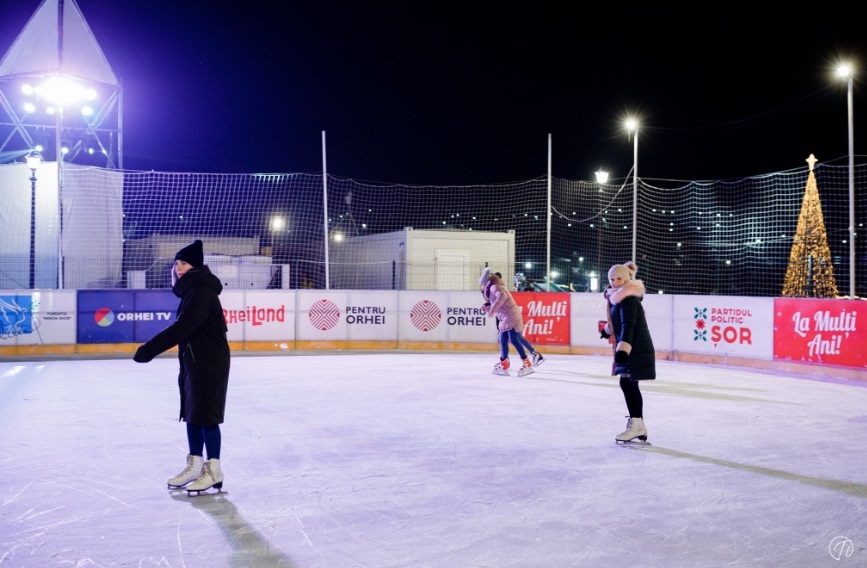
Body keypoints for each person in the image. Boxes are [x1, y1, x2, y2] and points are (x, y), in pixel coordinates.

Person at [133, 239, 231, 493]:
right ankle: (196, 465)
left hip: (209, 362)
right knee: (192, 412)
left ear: (195, 266)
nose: (178, 268)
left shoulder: (201, 292)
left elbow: (182, 328)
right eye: (176, 263)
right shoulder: (191, 290)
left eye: (184, 263)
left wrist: (148, 350)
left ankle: (214, 469)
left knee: (207, 416)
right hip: (194, 361)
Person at [600, 261, 655, 443]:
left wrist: (623, 348)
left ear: (627, 279)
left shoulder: (628, 299)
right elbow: (619, 320)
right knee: (629, 384)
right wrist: (607, 330)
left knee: (628, 384)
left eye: (619, 278)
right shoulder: (618, 297)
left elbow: (628, 325)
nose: (614, 282)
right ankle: (637, 424)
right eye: (611, 279)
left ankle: (637, 425)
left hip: (634, 347)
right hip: (632, 346)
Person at [480, 267, 534, 377]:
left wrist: (492, 310)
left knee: (514, 340)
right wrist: (488, 308)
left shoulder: (495, 286)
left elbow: (502, 296)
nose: (482, 287)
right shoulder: (493, 287)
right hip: (505, 317)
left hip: (511, 316)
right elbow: (499, 303)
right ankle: (504, 364)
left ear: (486, 283)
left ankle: (527, 363)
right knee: (502, 339)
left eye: (482, 284)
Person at [494, 272, 544, 367]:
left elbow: (500, 309)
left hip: (511, 319)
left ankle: (531, 356)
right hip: (512, 318)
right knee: (513, 339)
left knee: (512, 339)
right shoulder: (500, 288)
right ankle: (532, 355)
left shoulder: (499, 290)